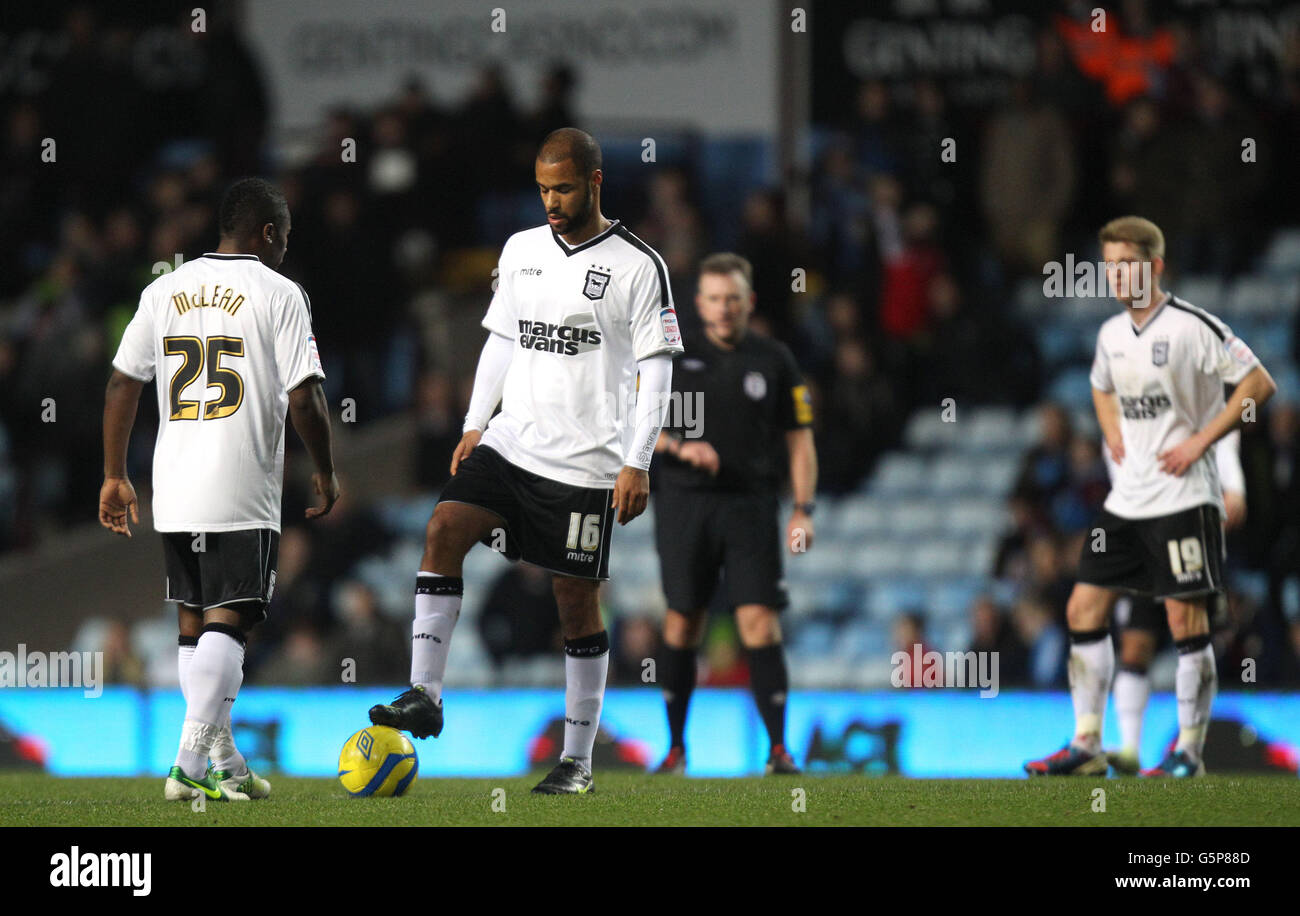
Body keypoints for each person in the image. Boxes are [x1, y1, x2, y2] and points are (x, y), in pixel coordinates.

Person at [369, 128, 682, 795]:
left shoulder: (638, 266)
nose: (551, 201)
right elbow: (502, 343)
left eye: (563, 188)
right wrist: (475, 423)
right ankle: (424, 694)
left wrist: (638, 462)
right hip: (513, 442)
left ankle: (576, 761)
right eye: (543, 189)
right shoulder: (520, 250)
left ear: (594, 182)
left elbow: (655, 373)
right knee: (443, 528)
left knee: (576, 602)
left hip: (588, 461)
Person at [101, 178, 339, 801]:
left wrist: (114, 473)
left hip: (173, 485)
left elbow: (123, 383)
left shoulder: (163, 289)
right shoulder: (281, 293)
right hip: (240, 483)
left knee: (194, 626)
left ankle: (225, 761)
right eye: (283, 236)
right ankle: (186, 764)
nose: (285, 248)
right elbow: (307, 397)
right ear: (266, 232)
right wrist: (326, 466)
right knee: (229, 625)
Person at [1025, 216, 1276, 778]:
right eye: (1108, 267)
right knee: (1081, 608)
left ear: (1154, 267)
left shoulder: (1193, 327)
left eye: (1126, 266)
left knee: (1187, 624)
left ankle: (1189, 751)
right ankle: (1088, 743)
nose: (1115, 278)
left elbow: (1259, 384)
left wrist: (1201, 441)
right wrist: (1111, 428)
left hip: (1184, 497)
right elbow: (1098, 383)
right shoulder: (1111, 335)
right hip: (1129, 501)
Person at [651, 252, 817, 775]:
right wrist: (682, 448)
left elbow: (800, 440)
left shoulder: (774, 359)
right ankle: (676, 749)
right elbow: (637, 427)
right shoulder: (670, 357)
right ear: (699, 304)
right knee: (683, 624)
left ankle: (777, 750)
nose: (724, 309)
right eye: (715, 299)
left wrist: (803, 509)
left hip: (750, 505)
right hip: (685, 504)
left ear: (750, 302)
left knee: (760, 623)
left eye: (733, 299)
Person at [1106, 430, 1246, 773]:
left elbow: (1235, 502)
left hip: (1192, 554)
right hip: (1149, 559)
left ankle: (1189, 751)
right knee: (1134, 646)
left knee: (1193, 643)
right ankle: (1130, 749)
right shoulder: (1126, 424)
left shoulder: (1209, 419)